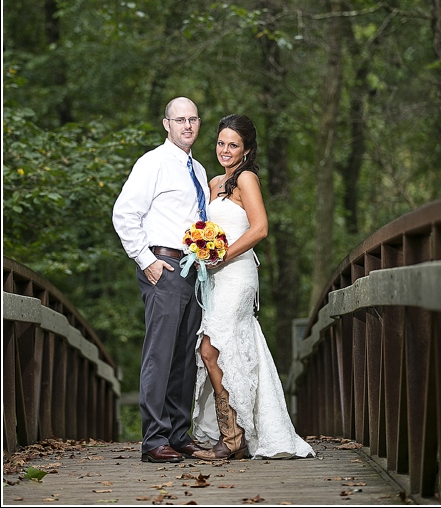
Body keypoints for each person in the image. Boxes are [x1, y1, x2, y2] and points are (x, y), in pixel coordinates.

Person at [190, 114, 314, 460]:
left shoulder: (246, 179)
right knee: (228, 350)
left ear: (245, 150)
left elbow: (260, 229)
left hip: (238, 273)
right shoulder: (215, 183)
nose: (225, 150)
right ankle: (236, 435)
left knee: (211, 350)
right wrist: (202, 249)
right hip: (214, 277)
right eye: (220, 143)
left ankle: (232, 438)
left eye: (233, 145)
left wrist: (223, 255)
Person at [112, 97, 209, 463]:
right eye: (179, 119)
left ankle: (178, 433)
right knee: (160, 354)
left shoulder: (197, 169)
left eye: (193, 119)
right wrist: (146, 260)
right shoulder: (152, 162)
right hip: (164, 266)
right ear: (166, 124)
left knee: (185, 356)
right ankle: (154, 440)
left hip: (194, 272)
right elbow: (124, 214)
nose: (187, 125)